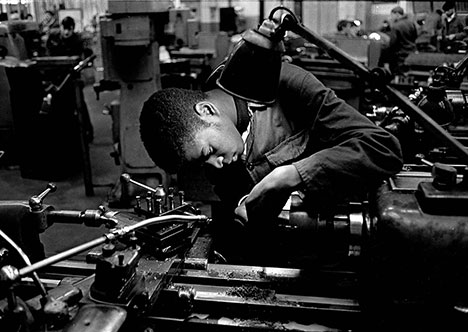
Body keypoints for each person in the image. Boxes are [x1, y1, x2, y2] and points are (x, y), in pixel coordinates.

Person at [139, 63, 403, 231]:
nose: (214, 165)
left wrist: (292, 174)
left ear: (207, 111)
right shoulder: (216, 149)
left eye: (208, 153)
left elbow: (383, 148)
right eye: (202, 164)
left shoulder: (283, 83)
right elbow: (236, 198)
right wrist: (244, 206)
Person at [380, 6, 417, 75]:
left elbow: (392, 44)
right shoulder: (411, 24)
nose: (391, 17)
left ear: (397, 14)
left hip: (400, 57)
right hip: (411, 55)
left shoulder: (396, 26)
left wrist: (386, 60)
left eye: (392, 15)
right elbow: (415, 37)